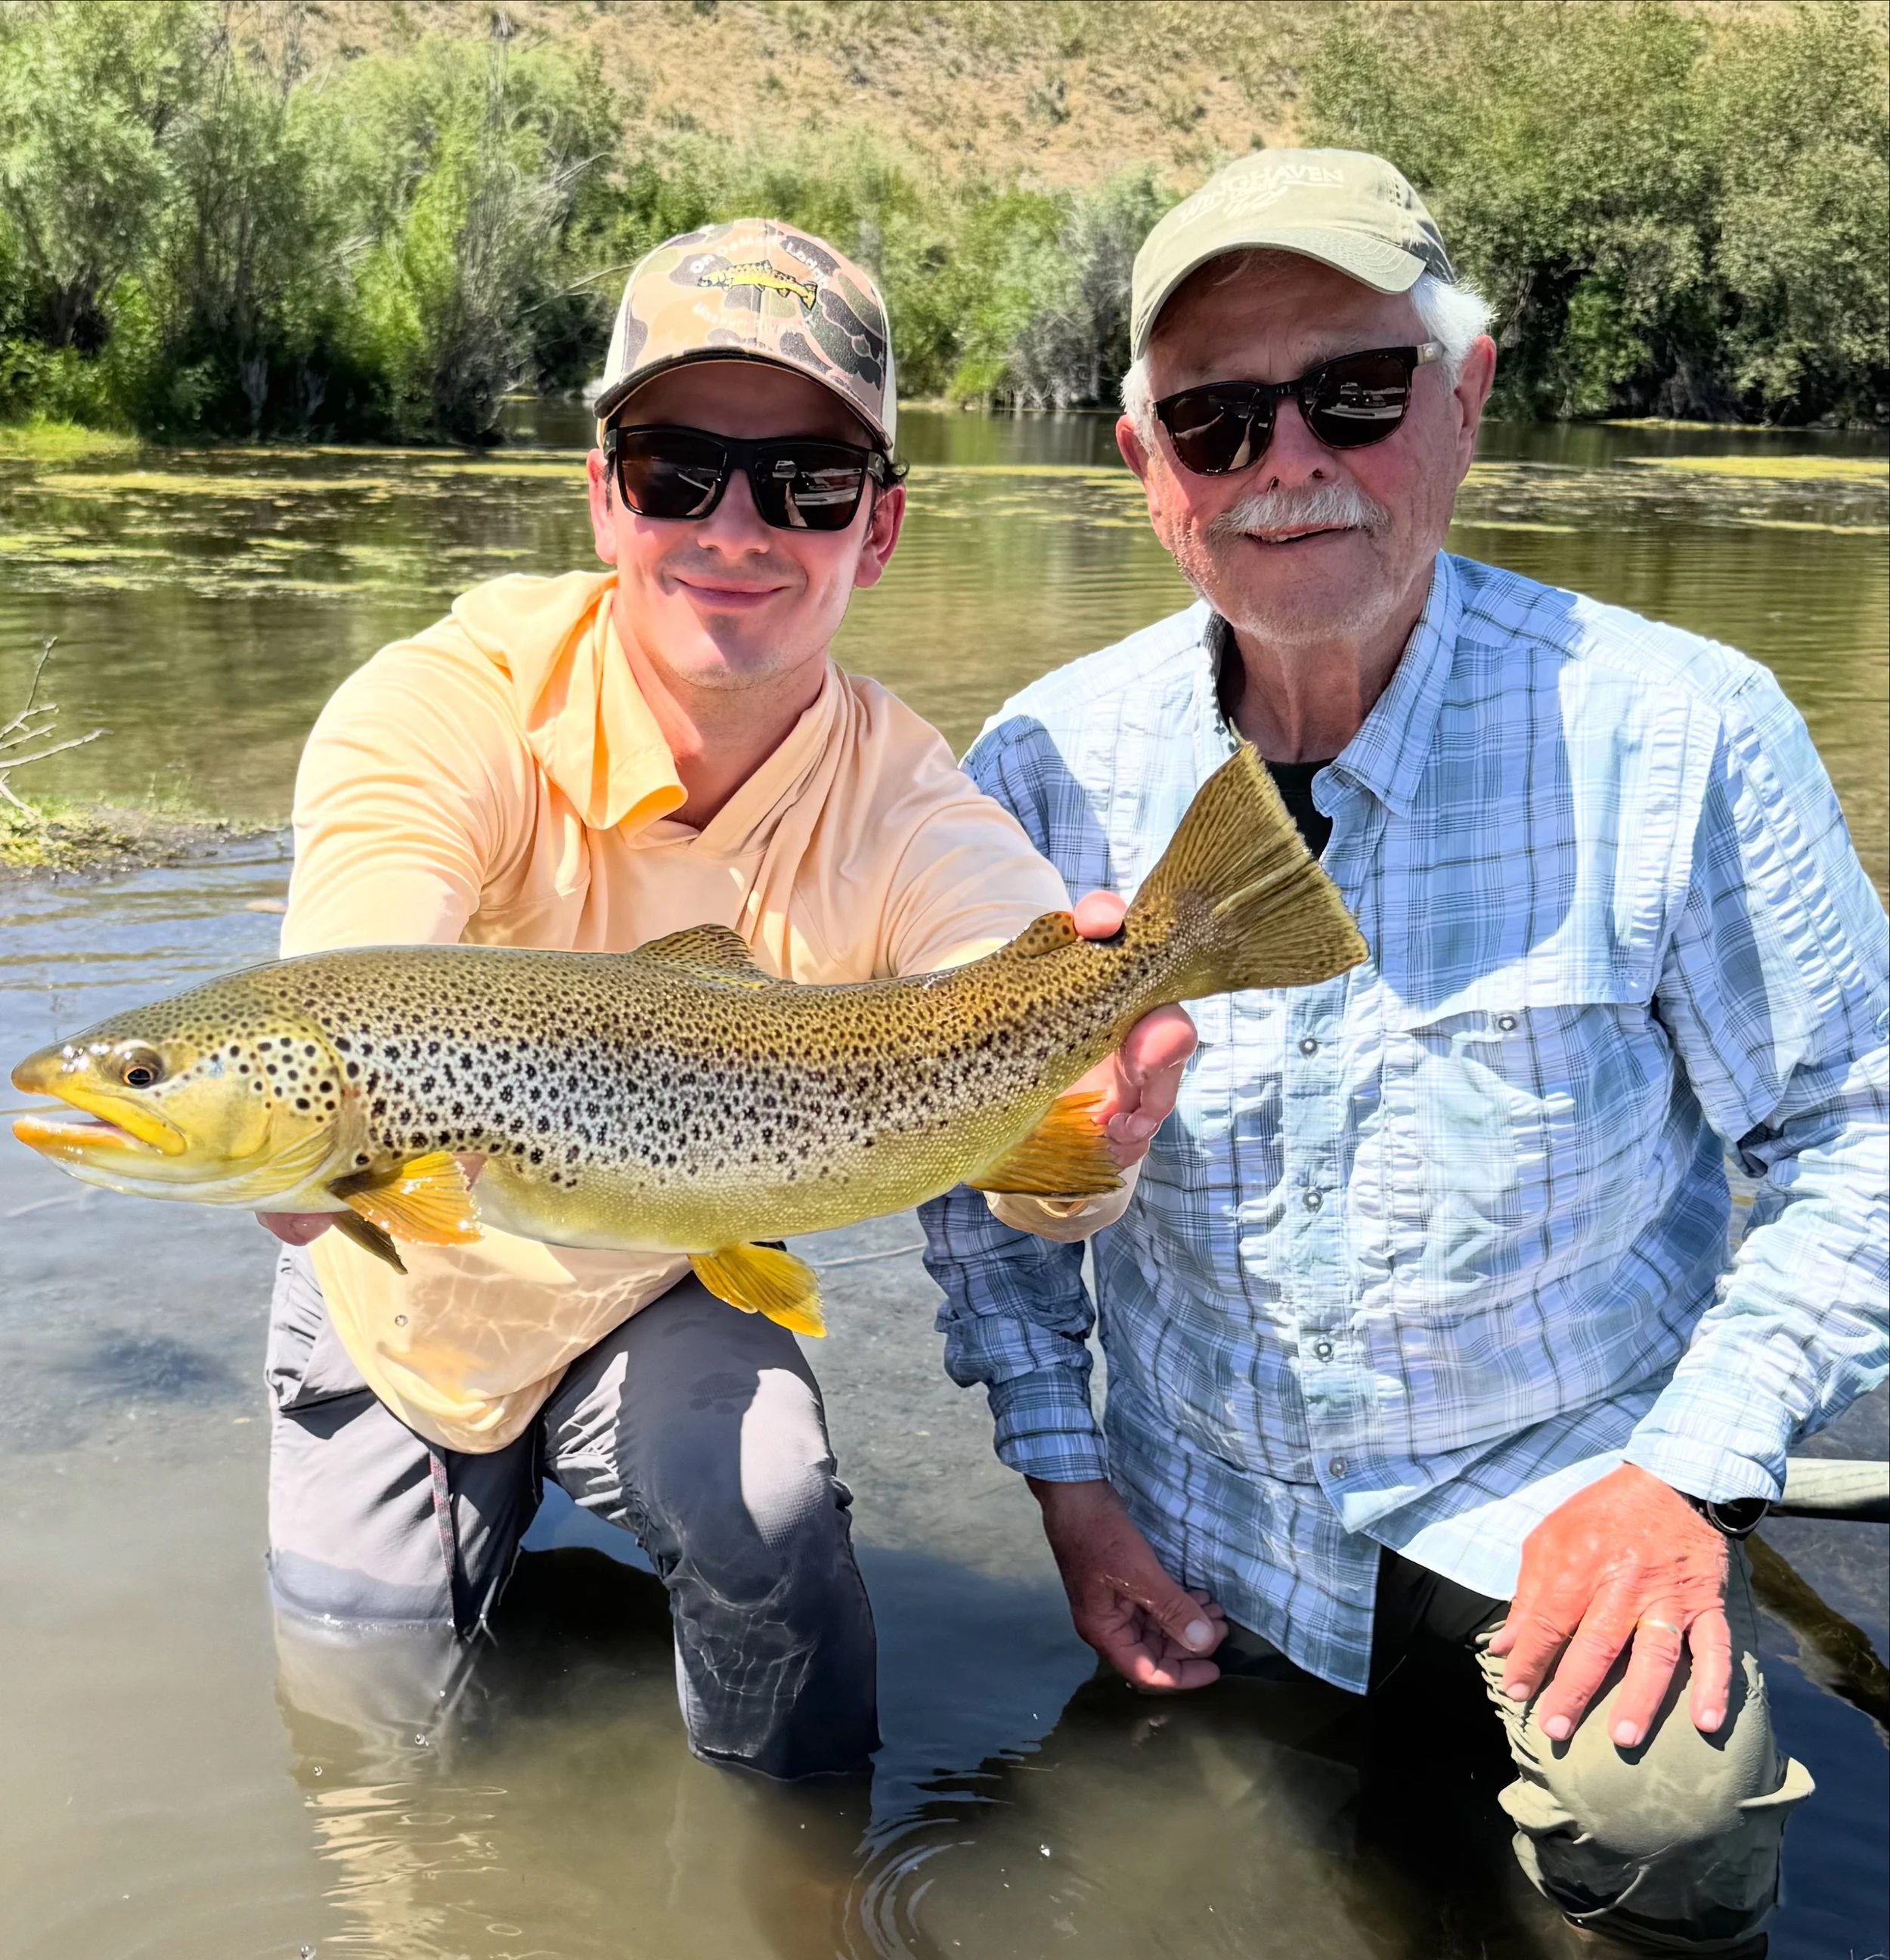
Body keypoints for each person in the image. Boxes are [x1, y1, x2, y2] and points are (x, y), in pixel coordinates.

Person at [920, 149, 1888, 1952]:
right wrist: (1069, 1495)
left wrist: (1686, 1476)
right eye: (1214, 422)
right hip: (1205, 1514)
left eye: (1351, 394)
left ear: (1463, 396)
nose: (1285, 461)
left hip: (1553, 1486)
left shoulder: (1677, 737)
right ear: (1144, 471)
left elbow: (1860, 1132)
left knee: (1663, 1821)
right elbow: (981, 1201)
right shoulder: (1043, 767)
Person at [256, 218, 1194, 1782]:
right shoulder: (440, 708)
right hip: (401, 1303)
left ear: (877, 530)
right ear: (602, 494)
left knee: (768, 1503)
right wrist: (307, 1119)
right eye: (675, 467)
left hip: (653, 1277)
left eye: (805, 483)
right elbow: (361, 958)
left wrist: (1095, 1120)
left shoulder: (909, 803)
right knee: (364, 1724)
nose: (734, 527)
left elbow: (1006, 1006)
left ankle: (800, 1877)